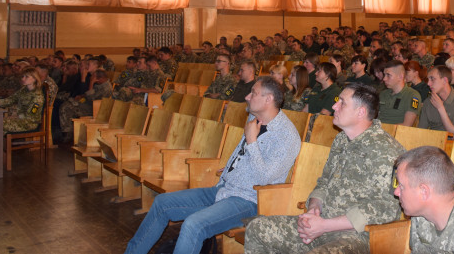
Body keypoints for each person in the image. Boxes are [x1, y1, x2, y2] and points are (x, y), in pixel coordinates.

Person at [124, 77, 301, 254]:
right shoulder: (254, 117)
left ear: (268, 99)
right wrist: (234, 166)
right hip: (224, 188)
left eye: (253, 93)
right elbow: (244, 153)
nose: (247, 96)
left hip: (249, 201)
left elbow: (265, 179)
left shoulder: (287, 135)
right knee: (162, 203)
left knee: (193, 225)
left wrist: (252, 141)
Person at [245, 83, 405, 253]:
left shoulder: (387, 151)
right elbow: (324, 182)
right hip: (321, 223)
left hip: (355, 236)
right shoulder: (341, 140)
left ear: (361, 112)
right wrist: (314, 209)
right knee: (256, 228)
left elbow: (387, 208)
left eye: (342, 102)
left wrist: (325, 225)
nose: (334, 106)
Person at [0, 67, 45, 134]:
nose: (23, 79)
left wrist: (14, 116)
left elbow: (31, 116)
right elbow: (8, 100)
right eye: (23, 76)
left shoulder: (37, 96)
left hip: (29, 123)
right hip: (20, 119)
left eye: (26, 77)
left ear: (34, 79)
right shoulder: (24, 90)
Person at [417, 66, 454, 133]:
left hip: (452, 142)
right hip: (431, 141)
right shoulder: (428, 101)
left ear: (445, 80)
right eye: (428, 80)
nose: (428, 83)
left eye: (432, 79)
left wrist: (440, 108)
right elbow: (420, 131)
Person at [378, 60, 421, 125]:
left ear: (400, 76)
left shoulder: (412, 95)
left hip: (396, 133)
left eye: (388, 75)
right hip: (377, 131)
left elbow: (407, 125)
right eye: (384, 75)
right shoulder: (383, 94)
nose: (384, 79)